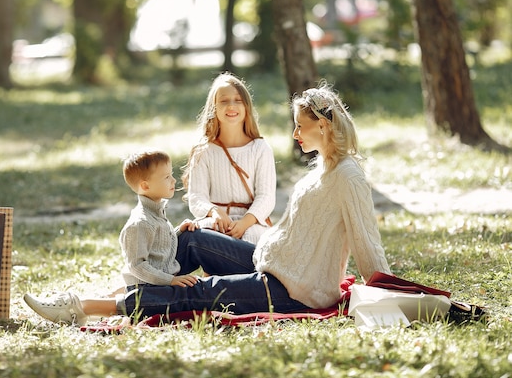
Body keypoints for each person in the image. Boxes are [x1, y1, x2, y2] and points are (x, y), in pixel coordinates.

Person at [23, 81, 392, 325]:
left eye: (300, 125)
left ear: (323, 126)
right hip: (273, 261)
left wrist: (393, 296)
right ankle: (131, 287)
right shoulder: (321, 168)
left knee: (201, 290)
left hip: (295, 290)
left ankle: (82, 307)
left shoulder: (348, 176)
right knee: (191, 239)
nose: (295, 134)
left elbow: (367, 242)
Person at [24, 149, 199, 326]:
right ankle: (72, 307)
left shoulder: (156, 213)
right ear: (145, 186)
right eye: (166, 177)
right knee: (162, 302)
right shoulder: (140, 223)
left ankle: (95, 304)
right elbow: (137, 266)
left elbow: (158, 247)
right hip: (145, 288)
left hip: (155, 284)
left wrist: (178, 232)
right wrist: (171, 280)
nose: (174, 180)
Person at [181, 72, 276, 244]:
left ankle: (227, 268)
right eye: (224, 101)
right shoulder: (203, 151)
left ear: (246, 107)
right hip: (216, 222)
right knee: (192, 234)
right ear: (213, 108)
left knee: (252, 237)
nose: (231, 106)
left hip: (252, 223)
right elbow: (196, 196)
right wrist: (215, 212)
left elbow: (266, 197)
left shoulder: (260, 149)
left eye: (238, 100)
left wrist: (244, 223)